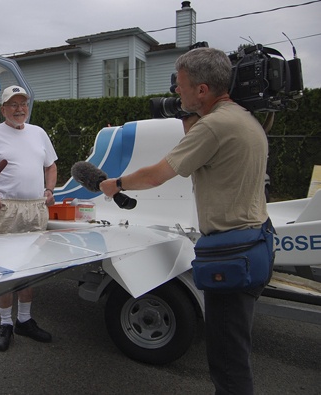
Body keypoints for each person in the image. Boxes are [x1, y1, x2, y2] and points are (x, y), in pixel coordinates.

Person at [100, 47, 271, 395]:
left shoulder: (213, 127)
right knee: (234, 347)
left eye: (180, 85)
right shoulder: (242, 117)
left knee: (228, 360)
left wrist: (115, 184)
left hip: (232, 249)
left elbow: (156, 176)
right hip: (255, 242)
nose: (176, 92)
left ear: (202, 90)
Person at [0, 85, 57, 352]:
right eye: (13, 104)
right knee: (4, 269)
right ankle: (5, 323)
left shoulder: (38, 133)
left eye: (23, 103)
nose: (19, 109)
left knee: (31, 268)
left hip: (35, 208)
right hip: (5, 210)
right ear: (2, 109)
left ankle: (24, 320)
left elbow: (51, 164)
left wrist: (49, 189)